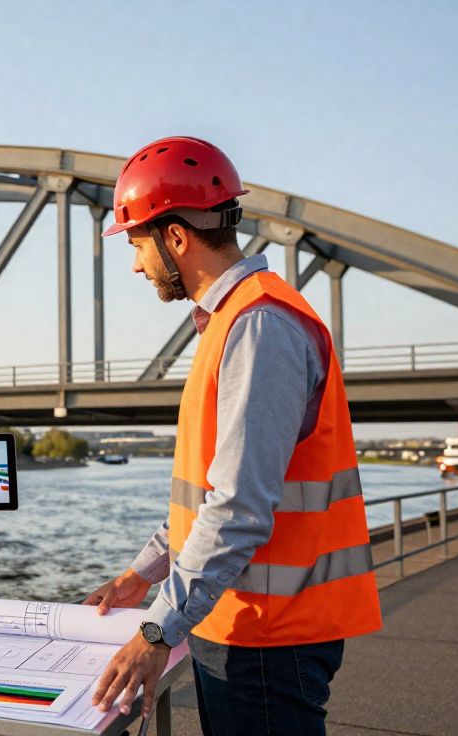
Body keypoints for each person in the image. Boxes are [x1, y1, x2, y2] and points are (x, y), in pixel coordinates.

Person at [82, 137, 382, 736]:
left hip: (269, 638)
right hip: (248, 625)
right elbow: (208, 491)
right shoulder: (236, 320)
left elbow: (240, 506)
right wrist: (143, 573)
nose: (136, 265)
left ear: (175, 237)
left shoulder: (258, 326)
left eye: (138, 244)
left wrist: (154, 629)